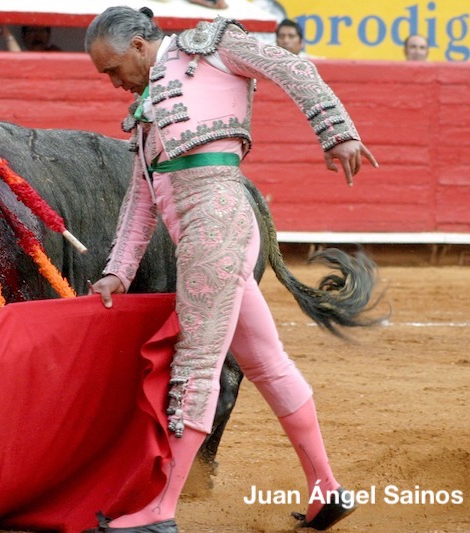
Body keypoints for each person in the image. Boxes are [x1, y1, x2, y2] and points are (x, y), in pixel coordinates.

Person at [85, 7, 378, 532]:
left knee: (196, 362)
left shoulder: (210, 47)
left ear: (136, 45)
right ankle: (326, 489)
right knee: (267, 362)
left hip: (215, 219)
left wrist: (336, 130)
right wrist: (118, 272)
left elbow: (293, 68)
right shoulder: (149, 103)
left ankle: (162, 510)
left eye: (112, 70)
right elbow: (141, 198)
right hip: (207, 230)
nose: (112, 83)